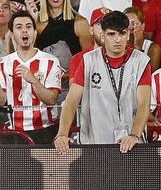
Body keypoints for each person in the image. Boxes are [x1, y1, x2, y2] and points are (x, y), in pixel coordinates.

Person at [54, 9, 151, 151]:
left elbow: (144, 104)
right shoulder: (88, 61)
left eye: (122, 33)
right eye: (112, 34)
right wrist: (62, 134)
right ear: (103, 36)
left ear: (128, 34)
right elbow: (71, 101)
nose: (118, 39)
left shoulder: (141, 61)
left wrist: (134, 135)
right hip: (95, 143)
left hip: (131, 143)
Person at [0, 7, 63, 143]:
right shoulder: (3, 64)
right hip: (14, 131)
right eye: (19, 27)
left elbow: (52, 99)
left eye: (28, 27)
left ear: (35, 33)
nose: (24, 30)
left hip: (45, 130)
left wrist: (33, 80)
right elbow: (2, 100)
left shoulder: (50, 61)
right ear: (11, 34)